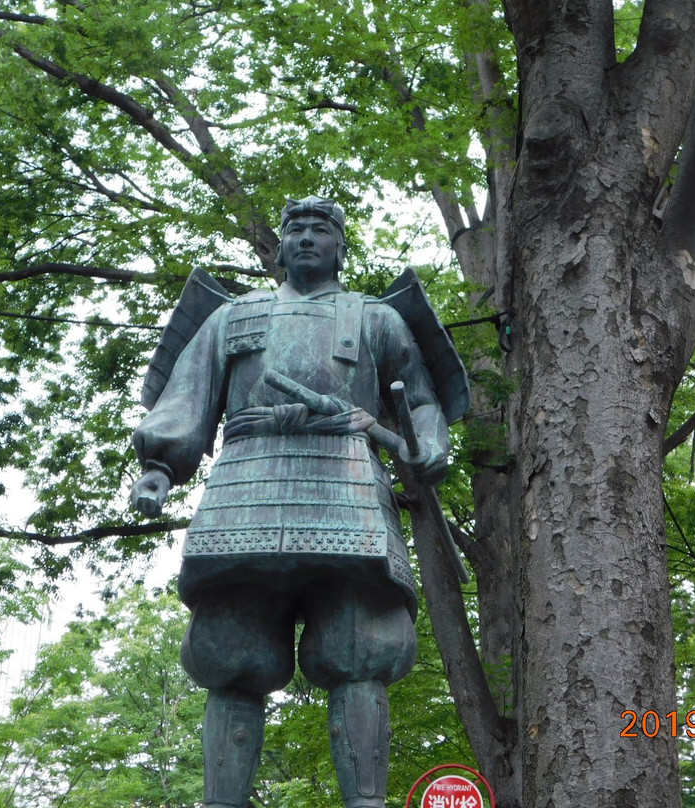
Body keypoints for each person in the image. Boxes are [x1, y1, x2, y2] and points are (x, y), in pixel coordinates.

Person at [130, 196, 457, 808]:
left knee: (358, 648)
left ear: (340, 246)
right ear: (280, 246)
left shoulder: (375, 318)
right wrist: (160, 468)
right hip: (246, 488)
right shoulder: (233, 317)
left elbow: (420, 399)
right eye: (296, 229)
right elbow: (187, 396)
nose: (307, 238)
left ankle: (366, 801)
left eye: (321, 230)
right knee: (231, 651)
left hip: (348, 486)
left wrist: (430, 444)